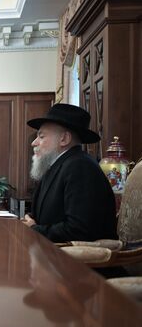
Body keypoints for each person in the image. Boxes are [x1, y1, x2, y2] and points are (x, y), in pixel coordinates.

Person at [21, 103, 117, 242]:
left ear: (64, 139)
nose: (34, 143)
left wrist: (35, 229)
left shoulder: (81, 167)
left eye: (41, 137)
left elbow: (79, 230)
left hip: (78, 262)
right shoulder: (58, 166)